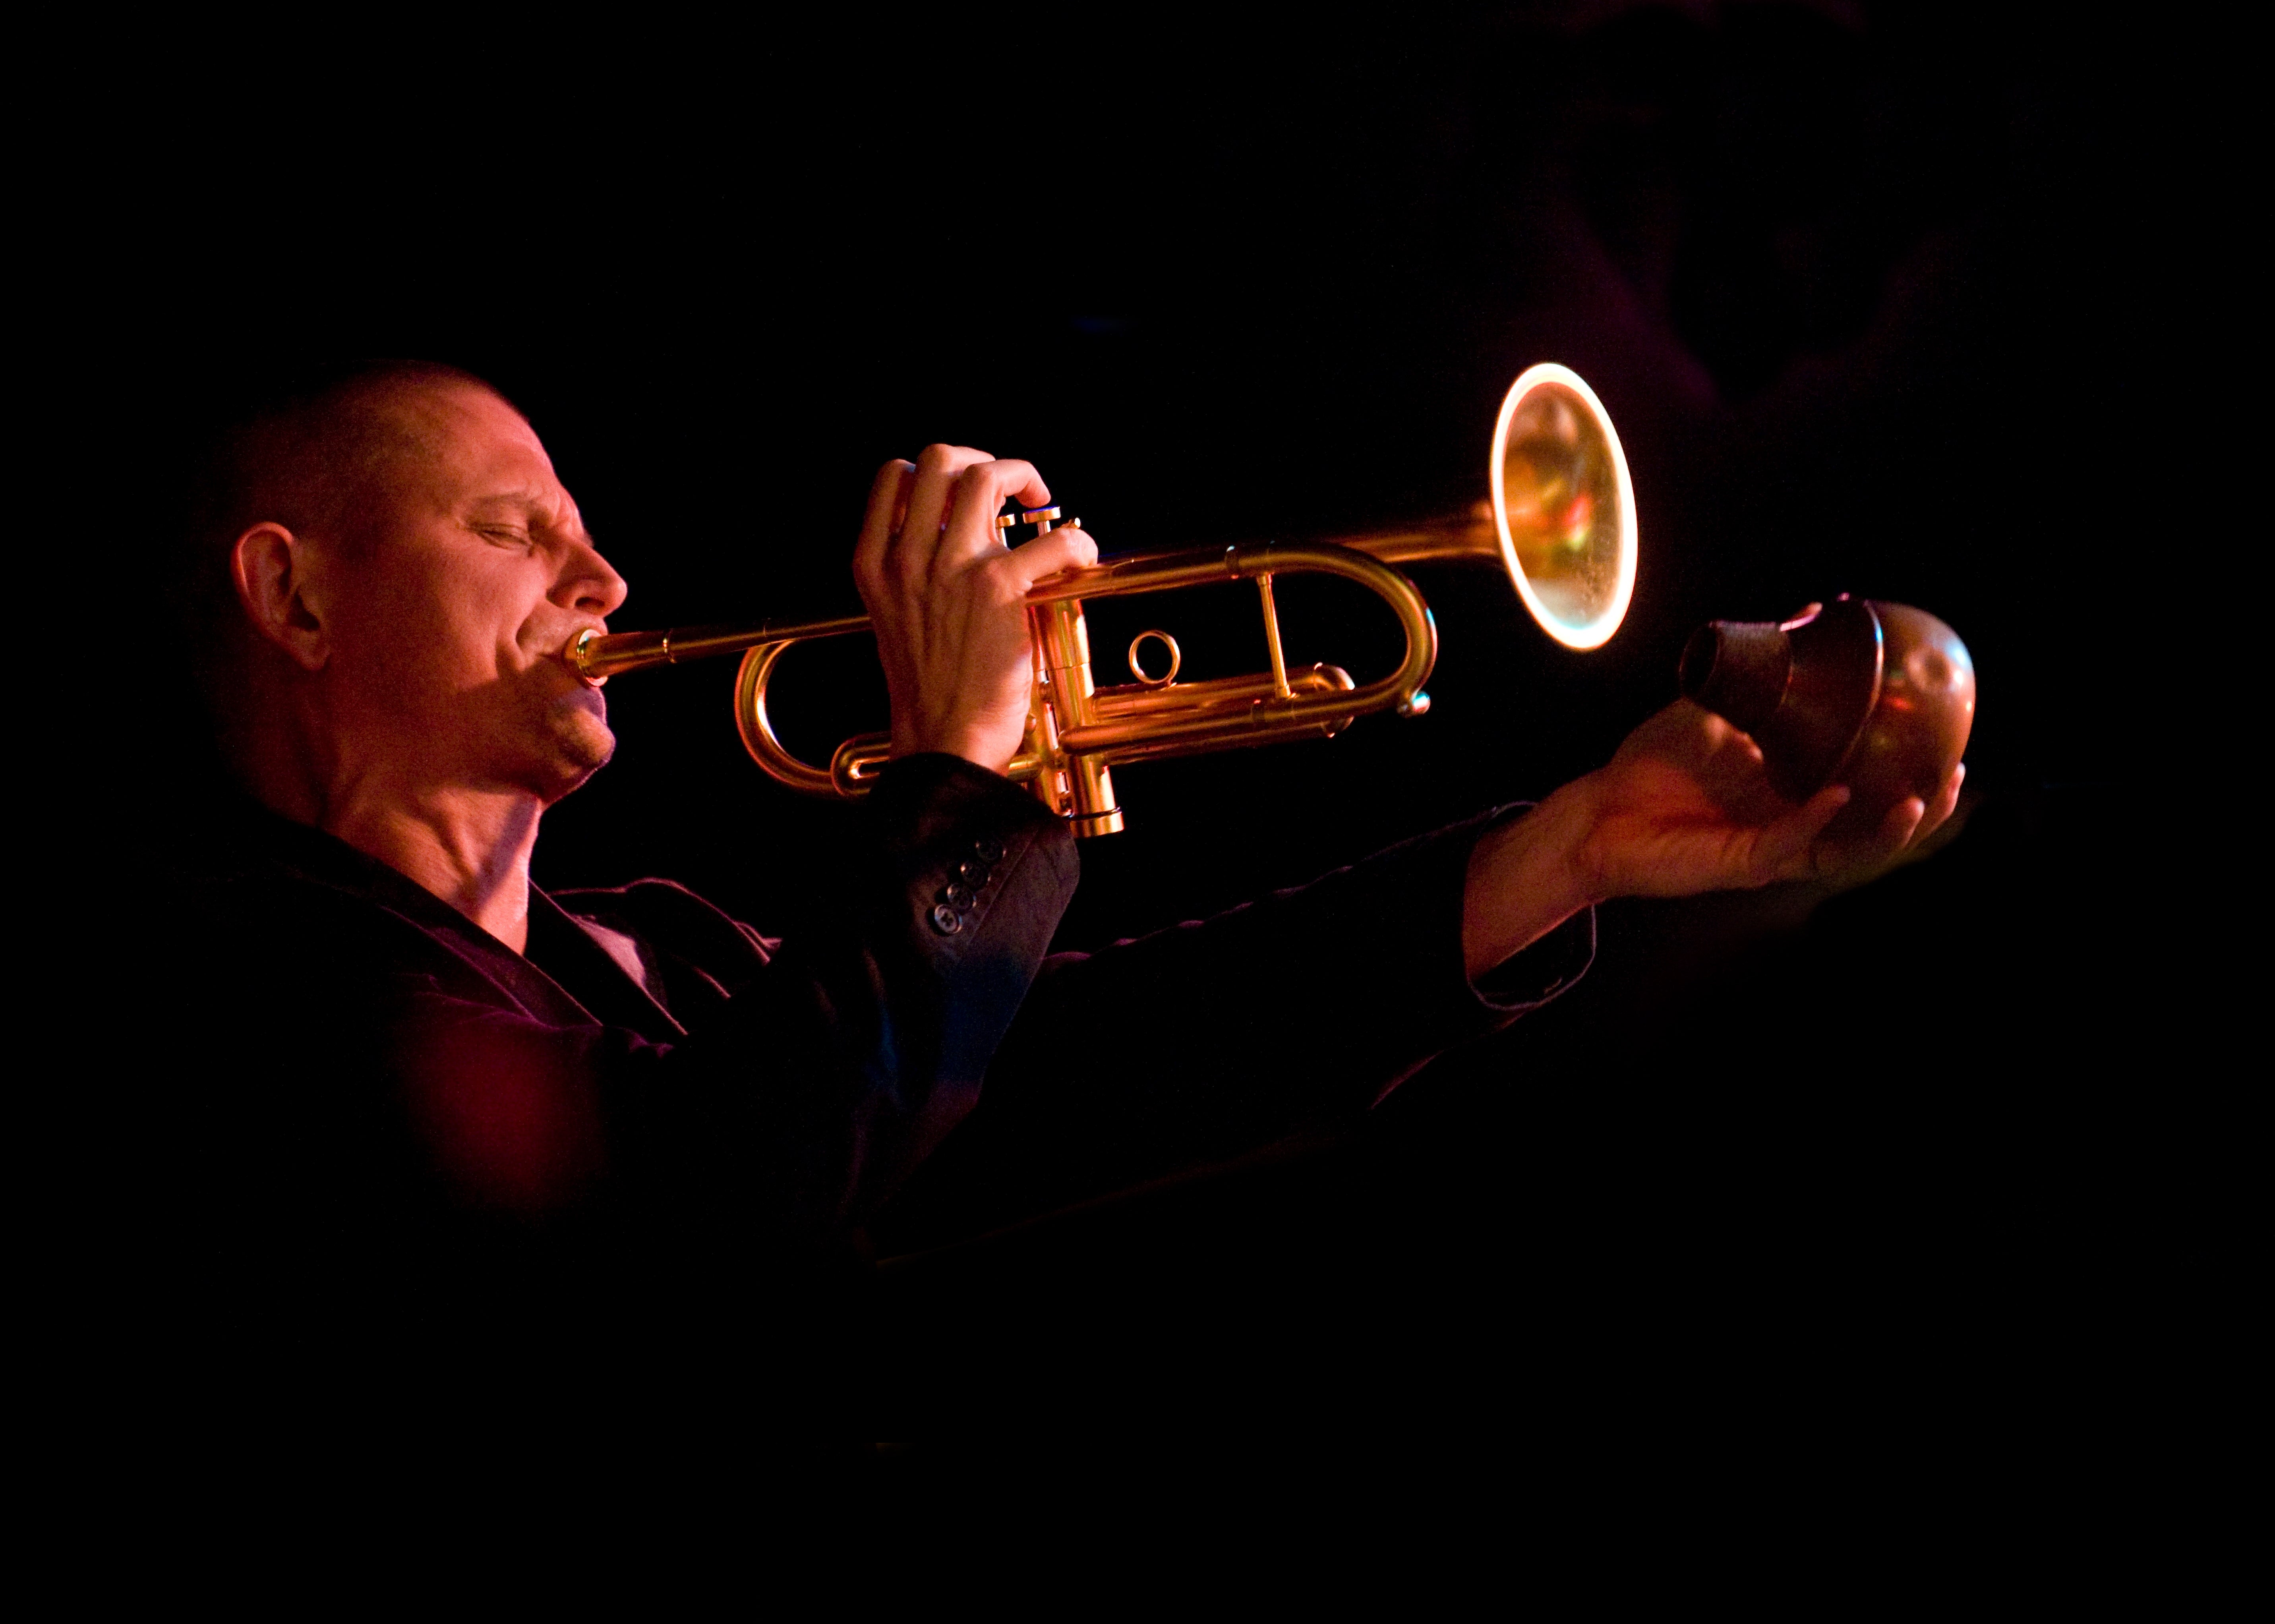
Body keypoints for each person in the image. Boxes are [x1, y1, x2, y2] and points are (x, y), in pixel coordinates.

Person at [139, 360, 1959, 1449]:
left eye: (583, 525)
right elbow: (702, 1214)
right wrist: (964, 785)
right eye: (511, 530)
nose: (601, 572)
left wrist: (1570, 846)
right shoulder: (251, 985)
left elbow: (1090, 1066)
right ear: (295, 599)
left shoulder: (659, 953)